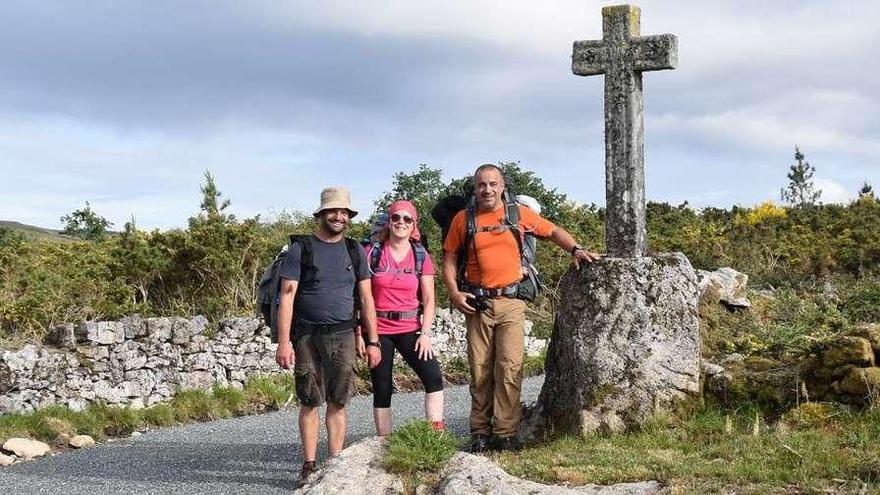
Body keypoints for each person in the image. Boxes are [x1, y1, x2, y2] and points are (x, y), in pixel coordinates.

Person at [442, 164, 600, 452]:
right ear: (475, 188)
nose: (487, 189)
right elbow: (450, 258)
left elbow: (552, 232)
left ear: (503, 186)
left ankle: (505, 433)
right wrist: (454, 292)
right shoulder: (463, 220)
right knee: (480, 372)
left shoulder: (518, 214)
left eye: (492, 184)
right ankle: (479, 431)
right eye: (481, 185)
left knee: (510, 368)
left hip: (512, 303)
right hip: (478, 304)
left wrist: (576, 249)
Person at [275, 186, 382, 480]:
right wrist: (284, 342)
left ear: (349, 216)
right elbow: (287, 296)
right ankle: (309, 464)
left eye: (344, 212)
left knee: (338, 400)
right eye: (333, 211)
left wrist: (372, 341)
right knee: (309, 400)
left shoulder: (354, 249)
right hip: (307, 336)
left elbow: (366, 298)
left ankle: (334, 465)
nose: (339, 216)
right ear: (321, 213)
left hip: (344, 334)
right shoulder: (301, 249)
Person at [364, 200, 445, 436]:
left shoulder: (421, 255)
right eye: (396, 218)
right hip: (379, 330)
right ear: (389, 222)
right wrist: (364, 335)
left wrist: (426, 334)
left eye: (407, 219)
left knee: (433, 376)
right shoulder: (372, 254)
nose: (401, 223)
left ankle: (435, 435)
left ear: (414, 225)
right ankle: (384, 444)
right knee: (382, 387)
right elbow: (361, 298)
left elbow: (429, 299)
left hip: (410, 327)